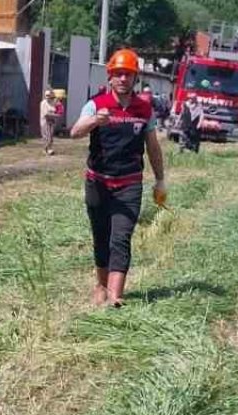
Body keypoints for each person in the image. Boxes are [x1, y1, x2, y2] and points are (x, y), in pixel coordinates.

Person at [69, 48, 167, 308]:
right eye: (119, 74)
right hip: (98, 182)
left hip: (130, 184)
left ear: (135, 78)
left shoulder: (144, 109)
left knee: (120, 238)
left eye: (128, 75)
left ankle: (115, 296)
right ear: (110, 77)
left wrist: (160, 180)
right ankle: (100, 286)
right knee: (101, 237)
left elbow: (153, 148)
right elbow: (74, 132)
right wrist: (94, 122)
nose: (123, 79)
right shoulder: (96, 104)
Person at [40, 89, 60, 155]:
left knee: (51, 137)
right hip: (45, 122)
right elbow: (46, 114)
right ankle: (46, 150)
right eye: (46, 95)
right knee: (47, 137)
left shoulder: (52, 103)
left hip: (52, 122)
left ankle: (49, 149)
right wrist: (56, 115)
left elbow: (57, 109)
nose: (48, 96)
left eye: (49, 95)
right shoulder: (43, 103)